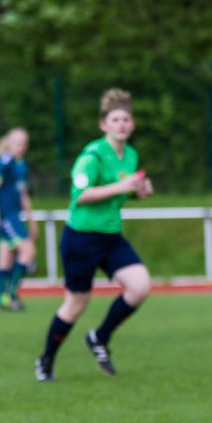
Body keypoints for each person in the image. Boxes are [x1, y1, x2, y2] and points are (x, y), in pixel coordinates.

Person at [35, 89, 154, 382]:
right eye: (115, 119)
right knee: (77, 303)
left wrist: (140, 192)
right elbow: (81, 196)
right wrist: (122, 189)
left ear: (133, 124)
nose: (122, 124)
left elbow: (123, 192)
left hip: (110, 237)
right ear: (104, 125)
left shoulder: (131, 155)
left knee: (140, 286)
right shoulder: (92, 156)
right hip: (81, 239)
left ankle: (99, 337)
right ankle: (46, 360)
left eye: (126, 119)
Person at [0, 128, 39, 310]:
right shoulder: (4, 162)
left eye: (24, 143)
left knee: (5, 258)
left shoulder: (21, 164)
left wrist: (31, 220)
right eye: (18, 143)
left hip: (16, 217)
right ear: (9, 143)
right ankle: (12, 295)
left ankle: (2, 299)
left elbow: (23, 194)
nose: (21, 147)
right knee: (28, 251)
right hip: (7, 217)